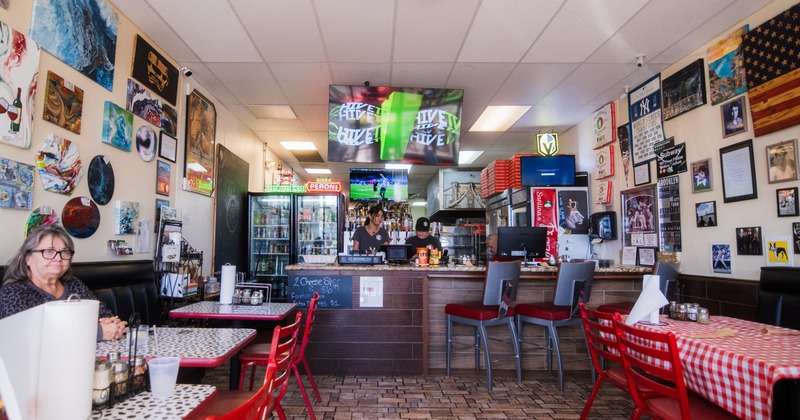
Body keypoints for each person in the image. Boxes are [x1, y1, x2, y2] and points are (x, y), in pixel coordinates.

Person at [0, 225, 127, 341]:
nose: (58, 258)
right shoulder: (12, 293)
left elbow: (104, 316)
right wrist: (97, 332)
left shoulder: (74, 284)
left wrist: (113, 327)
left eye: (64, 252)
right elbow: (26, 339)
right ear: (28, 258)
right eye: (48, 251)